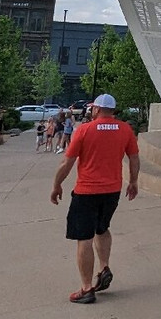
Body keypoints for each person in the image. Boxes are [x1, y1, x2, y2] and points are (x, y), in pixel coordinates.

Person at [51, 93, 139, 305]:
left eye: (92, 108)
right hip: (112, 191)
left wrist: (56, 185)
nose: (90, 111)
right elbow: (134, 158)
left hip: (87, 192)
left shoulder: (84, 130)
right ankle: (104, 267)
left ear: (97, 109)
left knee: (84, 238)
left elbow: (67, 162)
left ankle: (86, 288)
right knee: (102, 228)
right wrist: (133, 182)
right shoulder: (125, 129)